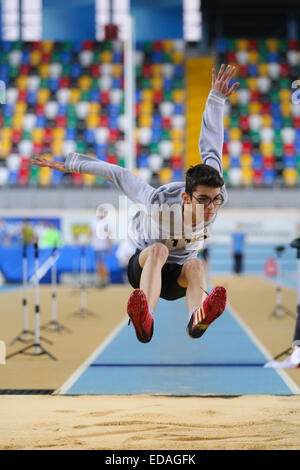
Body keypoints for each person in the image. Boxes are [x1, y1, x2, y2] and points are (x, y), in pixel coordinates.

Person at [32, 64, 239, 344]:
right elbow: (118, 174)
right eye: (204, 200)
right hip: (143, 267)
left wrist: (216, 99)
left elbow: (212, 145)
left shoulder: (217, 192)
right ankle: (145, 319)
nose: (211, 207)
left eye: (216, 201)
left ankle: (196, 319)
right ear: (187, 197)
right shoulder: (158, 202)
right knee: (158, 249)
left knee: (196, 265)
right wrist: (70, 164)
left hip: (178, 278)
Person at [90, 210, 112, 286]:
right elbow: (91, 233)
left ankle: (105, 279)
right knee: (98, 264)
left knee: (103, 263)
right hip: (96, 246)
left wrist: (109, 246)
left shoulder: (106, 223)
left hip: (103, 246)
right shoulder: (94, 223)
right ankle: (101, 279)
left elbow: (109, 235)